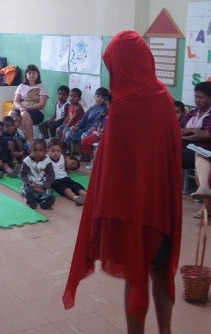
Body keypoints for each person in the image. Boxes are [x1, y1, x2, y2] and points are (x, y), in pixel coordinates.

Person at [62, 30, 182, 334]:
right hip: (161, 204)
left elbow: (108, 168)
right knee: (160, 269)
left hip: (131, 210)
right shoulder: (164, 99)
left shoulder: (124, 108)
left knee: (136, 274)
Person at [64, 87, 109, 161]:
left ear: (106, 99)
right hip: (85, 128)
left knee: (82, 135)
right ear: (94, 96)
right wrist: (77, 126)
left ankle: (85, 155)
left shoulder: (105, 109)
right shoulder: (92, 108)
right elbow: (83, 119)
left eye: (102, 97)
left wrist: (93, 127)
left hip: (94, 131)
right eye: (98, 96)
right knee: (69, 131)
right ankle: (75, 152)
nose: (99, 98)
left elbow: (99, 122)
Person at [13, 64, 49, 143]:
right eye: (29, 73)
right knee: (11, 114)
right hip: (22, 109)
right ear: (26, 75)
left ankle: (30, 141)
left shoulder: (41, 87)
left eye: (34, 73)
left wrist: (29, 108)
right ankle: (13, 138)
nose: (32, 75)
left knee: (24, 114)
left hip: (36, 112)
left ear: (38, 75)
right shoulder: (21, 86)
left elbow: (42, 103)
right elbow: (16, 101)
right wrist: (20, 108)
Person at [180, 82, 211, 170]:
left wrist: (186, 133)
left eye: (201, 98)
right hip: (186, 145)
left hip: (204, 150)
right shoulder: (192, 112)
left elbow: (206, 135)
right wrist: (194, 132)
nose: (197, 100)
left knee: (176, 154)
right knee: (164, 149)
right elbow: (179, 128)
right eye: (196, 97)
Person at [48, 138, 87, 205]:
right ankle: (76, 198)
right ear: (47, 151)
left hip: (66, 178)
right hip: (55, 180)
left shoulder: (62, 157)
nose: (56, 153)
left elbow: (65, 168)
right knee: (65, 189)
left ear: (61, 151)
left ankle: (89, 196)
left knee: (76, 186)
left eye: (58, 151)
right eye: (53, 151)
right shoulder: (45, 159)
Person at [20, 138, 55, 209]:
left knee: (48, 192)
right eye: (35, 150)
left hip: (42, 185)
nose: (38, 153)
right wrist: (28, 182)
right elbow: (23, 174)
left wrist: (44, 186)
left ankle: (44, 201)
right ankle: (31, 200)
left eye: (41, 150)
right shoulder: (27, 160)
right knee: (26, 190)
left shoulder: (47, 161)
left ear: (45, 151)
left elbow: (51, 176)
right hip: (30, 183)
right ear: (30, 151)